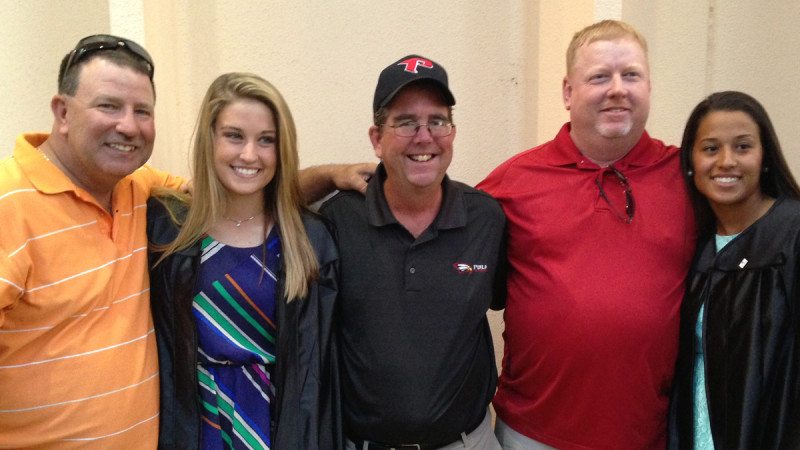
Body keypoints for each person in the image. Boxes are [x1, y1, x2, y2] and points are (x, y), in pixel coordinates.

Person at [478, 20, 697, 449]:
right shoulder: (513, 182)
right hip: (531, 434)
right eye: (599, 76)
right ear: (567, 92)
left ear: (649, 86)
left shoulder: (689, 180)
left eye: (630, 75)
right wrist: (319, 180)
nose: (617, 89)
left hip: (648, 435)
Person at [0, 35, 183, 447]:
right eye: (109, 106)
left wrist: (321, 180)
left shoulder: (139, 186)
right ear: (62, 112)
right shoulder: (7, 204)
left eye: (143, 111)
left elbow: (234, 194)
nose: (128, 125)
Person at [318, 55, 506, 449]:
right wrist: (324, 174)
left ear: (452, 131)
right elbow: (267, 200)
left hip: (468, 442)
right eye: (405, 122)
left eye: (437, 120)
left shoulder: (486, 218)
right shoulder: (337, 220)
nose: (425, 137)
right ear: (376, 138)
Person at [147, 72, 342, 449]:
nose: (249, 154)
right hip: (193, 424)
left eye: (266, 140)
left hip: (279, 426)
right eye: (234, 135)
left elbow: (321, 374)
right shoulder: (166, 228)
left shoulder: (309, 240)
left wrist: (334, 173)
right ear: (210, 139)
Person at [667, 91, 800, 449]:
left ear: (765, 157)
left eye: (743, 147)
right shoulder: (696, 247)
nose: (726, 161)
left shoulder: (792, 234)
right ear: (691, 162)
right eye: (711, 149)